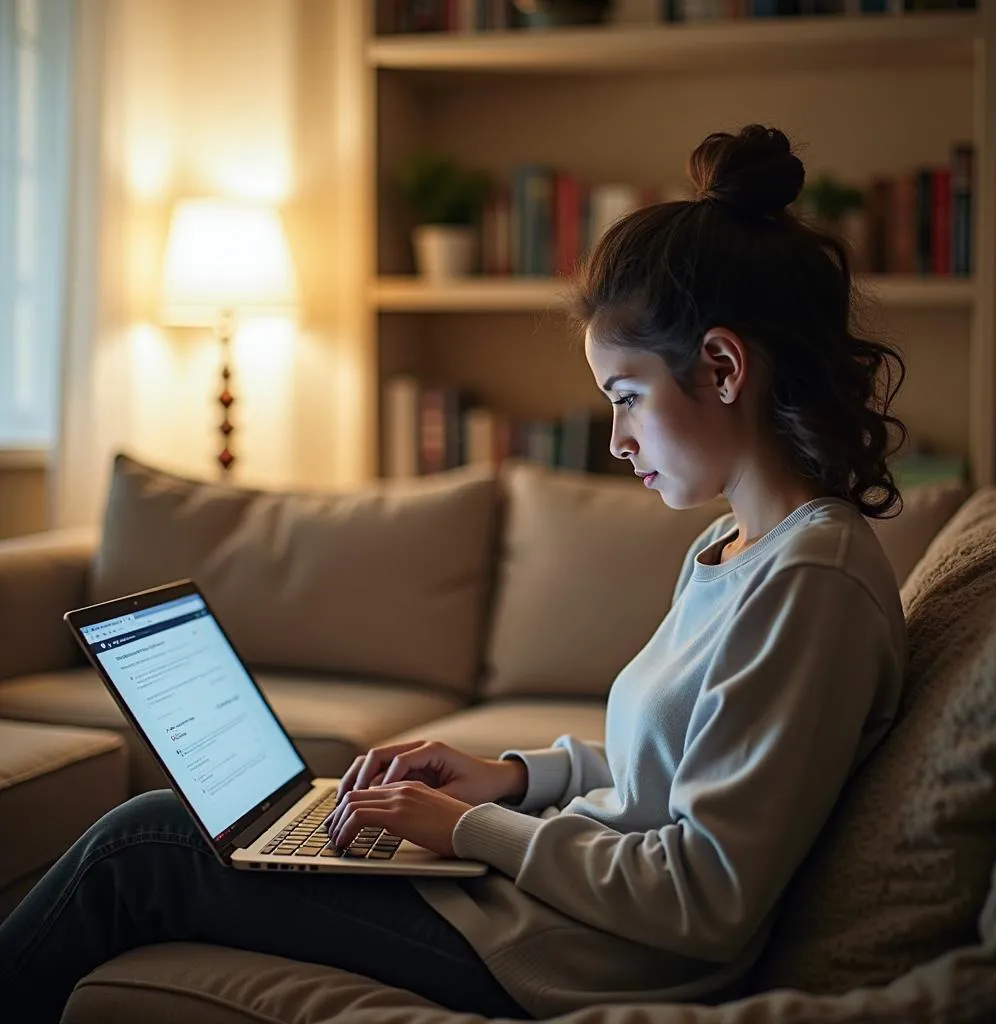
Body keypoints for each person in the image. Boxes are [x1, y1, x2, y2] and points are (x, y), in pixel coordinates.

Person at [0, 124, 908, 1023]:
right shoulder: (733, 550)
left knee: (146, 845)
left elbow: (701, 896)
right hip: (546, 904)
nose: (617, 440)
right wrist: (509, 780)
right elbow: (664, 775)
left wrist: (464, 830)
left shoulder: (811, 581)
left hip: (580, 955)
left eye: (626, 398)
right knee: (177, 834)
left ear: (720, 366)